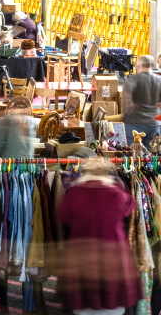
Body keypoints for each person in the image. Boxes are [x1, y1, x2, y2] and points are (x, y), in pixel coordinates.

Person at [57, 157, 142, 314]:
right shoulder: (117, 194)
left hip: (81, 254)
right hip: (113, 254)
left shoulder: (72, 194)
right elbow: (129, 206)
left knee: (83, 303)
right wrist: (117, 182)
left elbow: (64, 216)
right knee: (113, 303)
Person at [123, 55, 161, 149]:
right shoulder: (159, 80)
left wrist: (129, 104)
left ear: (140, 65)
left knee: (133, 155)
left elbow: (126, 93)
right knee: (151, 157)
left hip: (135, 122)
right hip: (154, 123)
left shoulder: (134, 79)